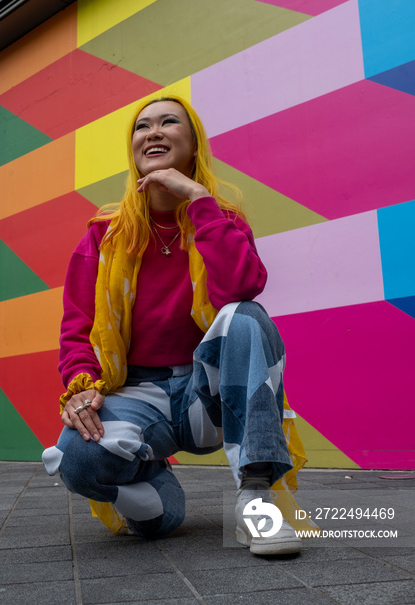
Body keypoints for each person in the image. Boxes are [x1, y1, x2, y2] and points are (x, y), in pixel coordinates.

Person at [42, 95, 306, 556]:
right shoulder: (103, 233)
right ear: (134, 147)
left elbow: (242, 286)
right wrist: (81, 385)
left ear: (193, 143)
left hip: (211, 392)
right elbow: (77, 325)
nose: (154, 132)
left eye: (169, 122)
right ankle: (155, 486)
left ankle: (255, 501)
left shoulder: (221, 220)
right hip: (138, 392)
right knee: (77, 458)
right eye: (142, 127)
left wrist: (199, 200)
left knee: (244, 316)